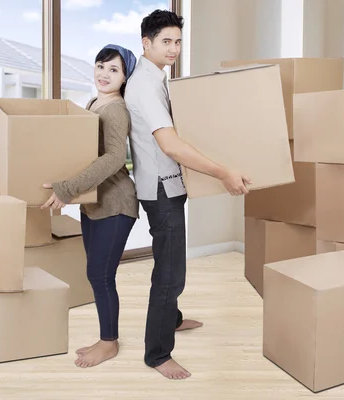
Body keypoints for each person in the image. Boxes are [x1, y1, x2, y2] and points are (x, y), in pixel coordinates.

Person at [124, 10, 251, 380]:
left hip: (169, 185)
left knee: (173, 262)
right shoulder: (145, 85)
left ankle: (172, 319)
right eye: (166, 41)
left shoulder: (158, 79)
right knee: (170, 273)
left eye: (178, 41)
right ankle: (158, 354)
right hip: (160, 190)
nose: (174, 48)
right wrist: (224, 172)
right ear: (146, 43)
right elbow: (171, 145)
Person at [41, 44, 139, 369]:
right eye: (100, 65)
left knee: (100, 273)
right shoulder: (94, 103)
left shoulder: (116, 110)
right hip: (94, 204)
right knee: (95, 273)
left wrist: (68, 188)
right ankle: (106, 338)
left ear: (125, 77)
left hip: (116, 203)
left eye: (114, 69)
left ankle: (109, 343)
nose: (104, 73)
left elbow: (113, 159)